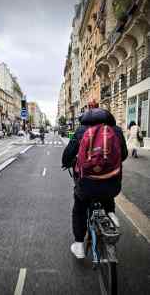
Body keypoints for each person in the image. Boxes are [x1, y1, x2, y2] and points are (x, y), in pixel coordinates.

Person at [62, 103, 128, 259]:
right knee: (107, 192)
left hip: (86, 185)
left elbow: (66, 157)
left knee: (79, 207)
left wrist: (69, 163)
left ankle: (79, 245)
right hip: (112, 184)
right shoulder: (116, 131)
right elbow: (123, 155)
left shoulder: (80, 131)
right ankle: (111, 214)